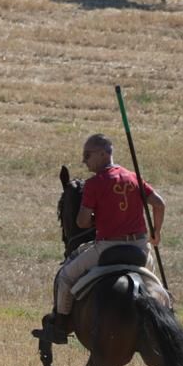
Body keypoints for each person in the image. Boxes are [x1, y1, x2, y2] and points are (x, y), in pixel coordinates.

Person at [33, 133, 166, 344]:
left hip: (107, 248)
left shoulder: (95, 184)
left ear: (103, 154)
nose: (84, 160)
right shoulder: (134, 177)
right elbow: (159, 204)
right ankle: (165, 323)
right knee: (155, 288)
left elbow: (83, 222)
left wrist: (96, 217)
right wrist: (156, 233)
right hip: (141, 250)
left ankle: (59, 326)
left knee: (65, 276)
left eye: (88, 155)